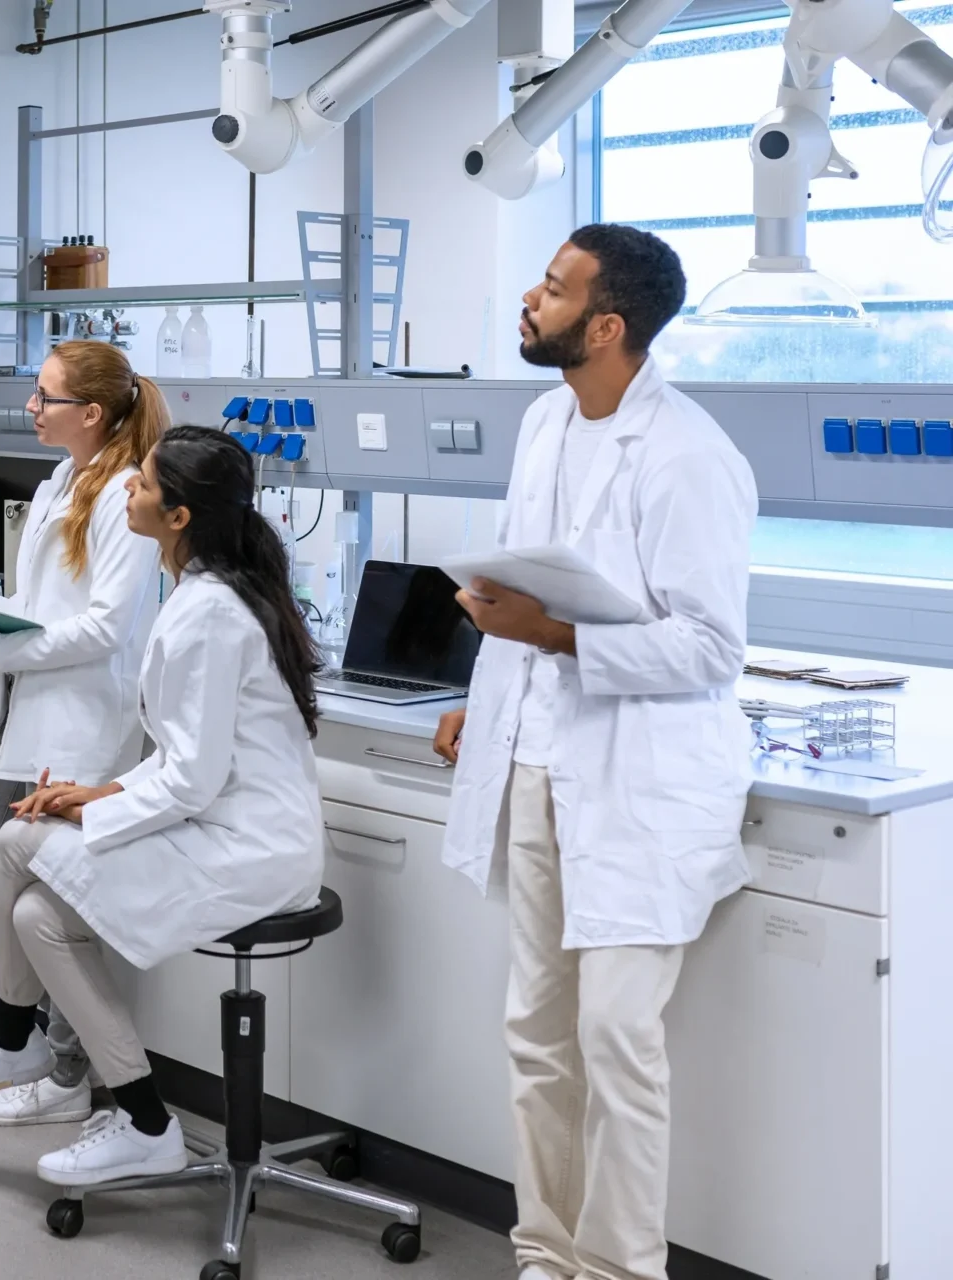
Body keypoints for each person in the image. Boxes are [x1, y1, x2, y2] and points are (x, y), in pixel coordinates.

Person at [430, 225, 757, 1280]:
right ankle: (545, 1249)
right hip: (538, 757)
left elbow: (710, 646)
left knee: (617, 1037)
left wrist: (556, 636)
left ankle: (621, 1268)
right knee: (536, 1029)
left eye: (555, 288)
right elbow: (529, 585)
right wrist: (488, 697)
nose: (531, 296)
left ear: (607, 325)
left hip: (641, 778)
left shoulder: (690, 456)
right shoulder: (544, 421)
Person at [0, 425, 325, 1186]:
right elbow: (183, 761)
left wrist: (87, 811)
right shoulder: (203, 592)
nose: (127, 492)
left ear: (178, 518)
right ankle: (144, 1120)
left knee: (16, 841)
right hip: (215, 823)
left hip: (252, 850)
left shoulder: (208, 611)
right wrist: (98, 791)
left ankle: (14, 1033)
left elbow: (194, 782)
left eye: (141, 485)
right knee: (39, 918)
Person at [0, 340, 163, 1128]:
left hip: (82, 727)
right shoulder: (62, 479)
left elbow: (105, 626)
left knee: (53, 905)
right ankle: (38, 1044)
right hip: (29, 714)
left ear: (91, 413)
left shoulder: (126, 495)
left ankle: (62, 1069)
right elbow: (45, 603)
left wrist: (7, 646)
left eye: (45, 398)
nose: (31, 408)